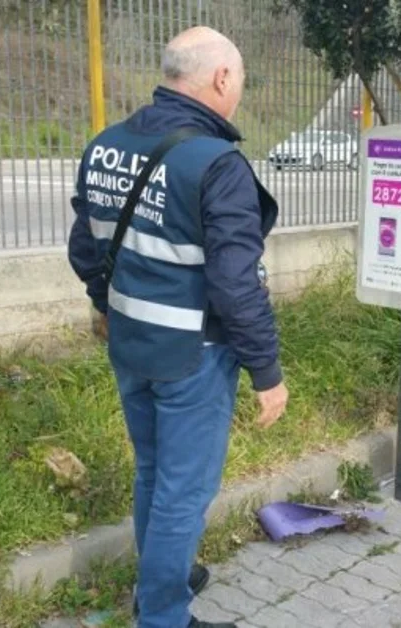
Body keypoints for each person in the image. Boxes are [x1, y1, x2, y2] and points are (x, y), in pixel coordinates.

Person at [67, 26, 288, 628]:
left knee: (153, 472)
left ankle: (166, 572)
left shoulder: (106, 145)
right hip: (196, 354)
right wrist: (267, 371)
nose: (238, 93)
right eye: (238, 81)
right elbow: (236, 285)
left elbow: (86, 250)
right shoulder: (217, 164)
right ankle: (162, 613)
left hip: (132, 344)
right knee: (183, 492)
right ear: (221, 78)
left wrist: (106, 306)